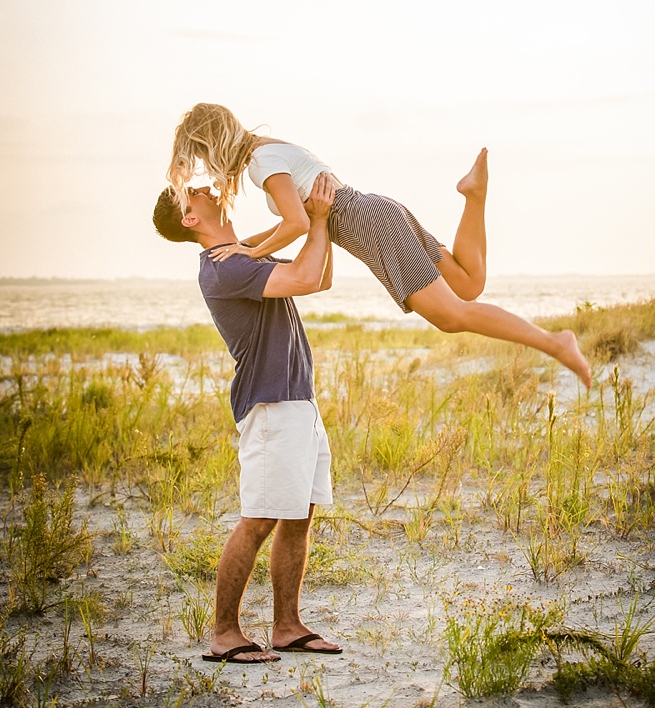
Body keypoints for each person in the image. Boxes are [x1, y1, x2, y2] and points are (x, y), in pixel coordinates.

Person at [167, 103, 592, 389]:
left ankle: (555, 342)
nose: (206, 170)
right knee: (468, 282)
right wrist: (244, 244)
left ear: (213, 145)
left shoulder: (260, 166)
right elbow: (297, 217)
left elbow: (297, 222)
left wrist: (250, 253)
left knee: (452, 315)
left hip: (373, 226)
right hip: (378, 211)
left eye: (202, 157)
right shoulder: (269, 151)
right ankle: (474, 196)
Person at [152, 173, 343, 662]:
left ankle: (287, 627)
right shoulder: (225, 267)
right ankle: (224, 635)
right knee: (258, 520)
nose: (207, 188)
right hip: (271, 405)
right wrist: (316, 219)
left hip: (298, 400)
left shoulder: (242, 257)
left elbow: (318, 277)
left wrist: (321, 226)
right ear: (190, 218)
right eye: (192, 193)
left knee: (298, 517)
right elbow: (302, 276)